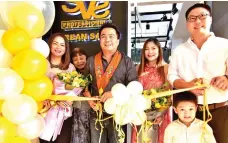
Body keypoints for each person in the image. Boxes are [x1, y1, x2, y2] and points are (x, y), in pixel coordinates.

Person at [168, 3, 228, 143]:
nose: (197, 21)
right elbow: (172, 76)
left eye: (202, 16)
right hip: (189, 113)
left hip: (220, 110)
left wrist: (226, 78)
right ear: (187, 23)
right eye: (192, 18)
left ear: (210, 19)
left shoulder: (225, 45)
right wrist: (188, 85)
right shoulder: (179, 50)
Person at [84, 23, 138, 143]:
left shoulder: (127, 61)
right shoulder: (91, 61)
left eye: (111, 36)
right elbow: (84, 85)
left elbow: (134, 87)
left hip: (118, 113)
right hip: (96, 112)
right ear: (99, 40)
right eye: (103, 36)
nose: (107, 39)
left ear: (118, 40)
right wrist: (89, 99)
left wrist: (115, 94)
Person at [131, 38, 172, 143]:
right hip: (141, 115)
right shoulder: (138, 68)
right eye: (147, 49)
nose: (150, 52)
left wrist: (161, 114)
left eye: (153, 48)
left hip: (162, 115)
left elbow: (169, 94)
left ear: (159, 49)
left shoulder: (167, 68)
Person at [39, 33, 75, 143]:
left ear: (66, 48)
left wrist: (69, 100)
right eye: (55, 43)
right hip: (44, 112)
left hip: (63, 115)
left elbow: (73, 90)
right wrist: (42, 98)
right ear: (49, 45)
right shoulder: (41, 64)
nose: (58, 47)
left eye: (62, 45)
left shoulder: (70, 67)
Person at [71, 47, 90, 143]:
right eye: (75, 60)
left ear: (86, 58)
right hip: (78, 109)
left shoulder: (93, 71)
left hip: (91, 110)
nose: (79, 61)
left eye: (81, 58)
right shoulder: (72, 74)